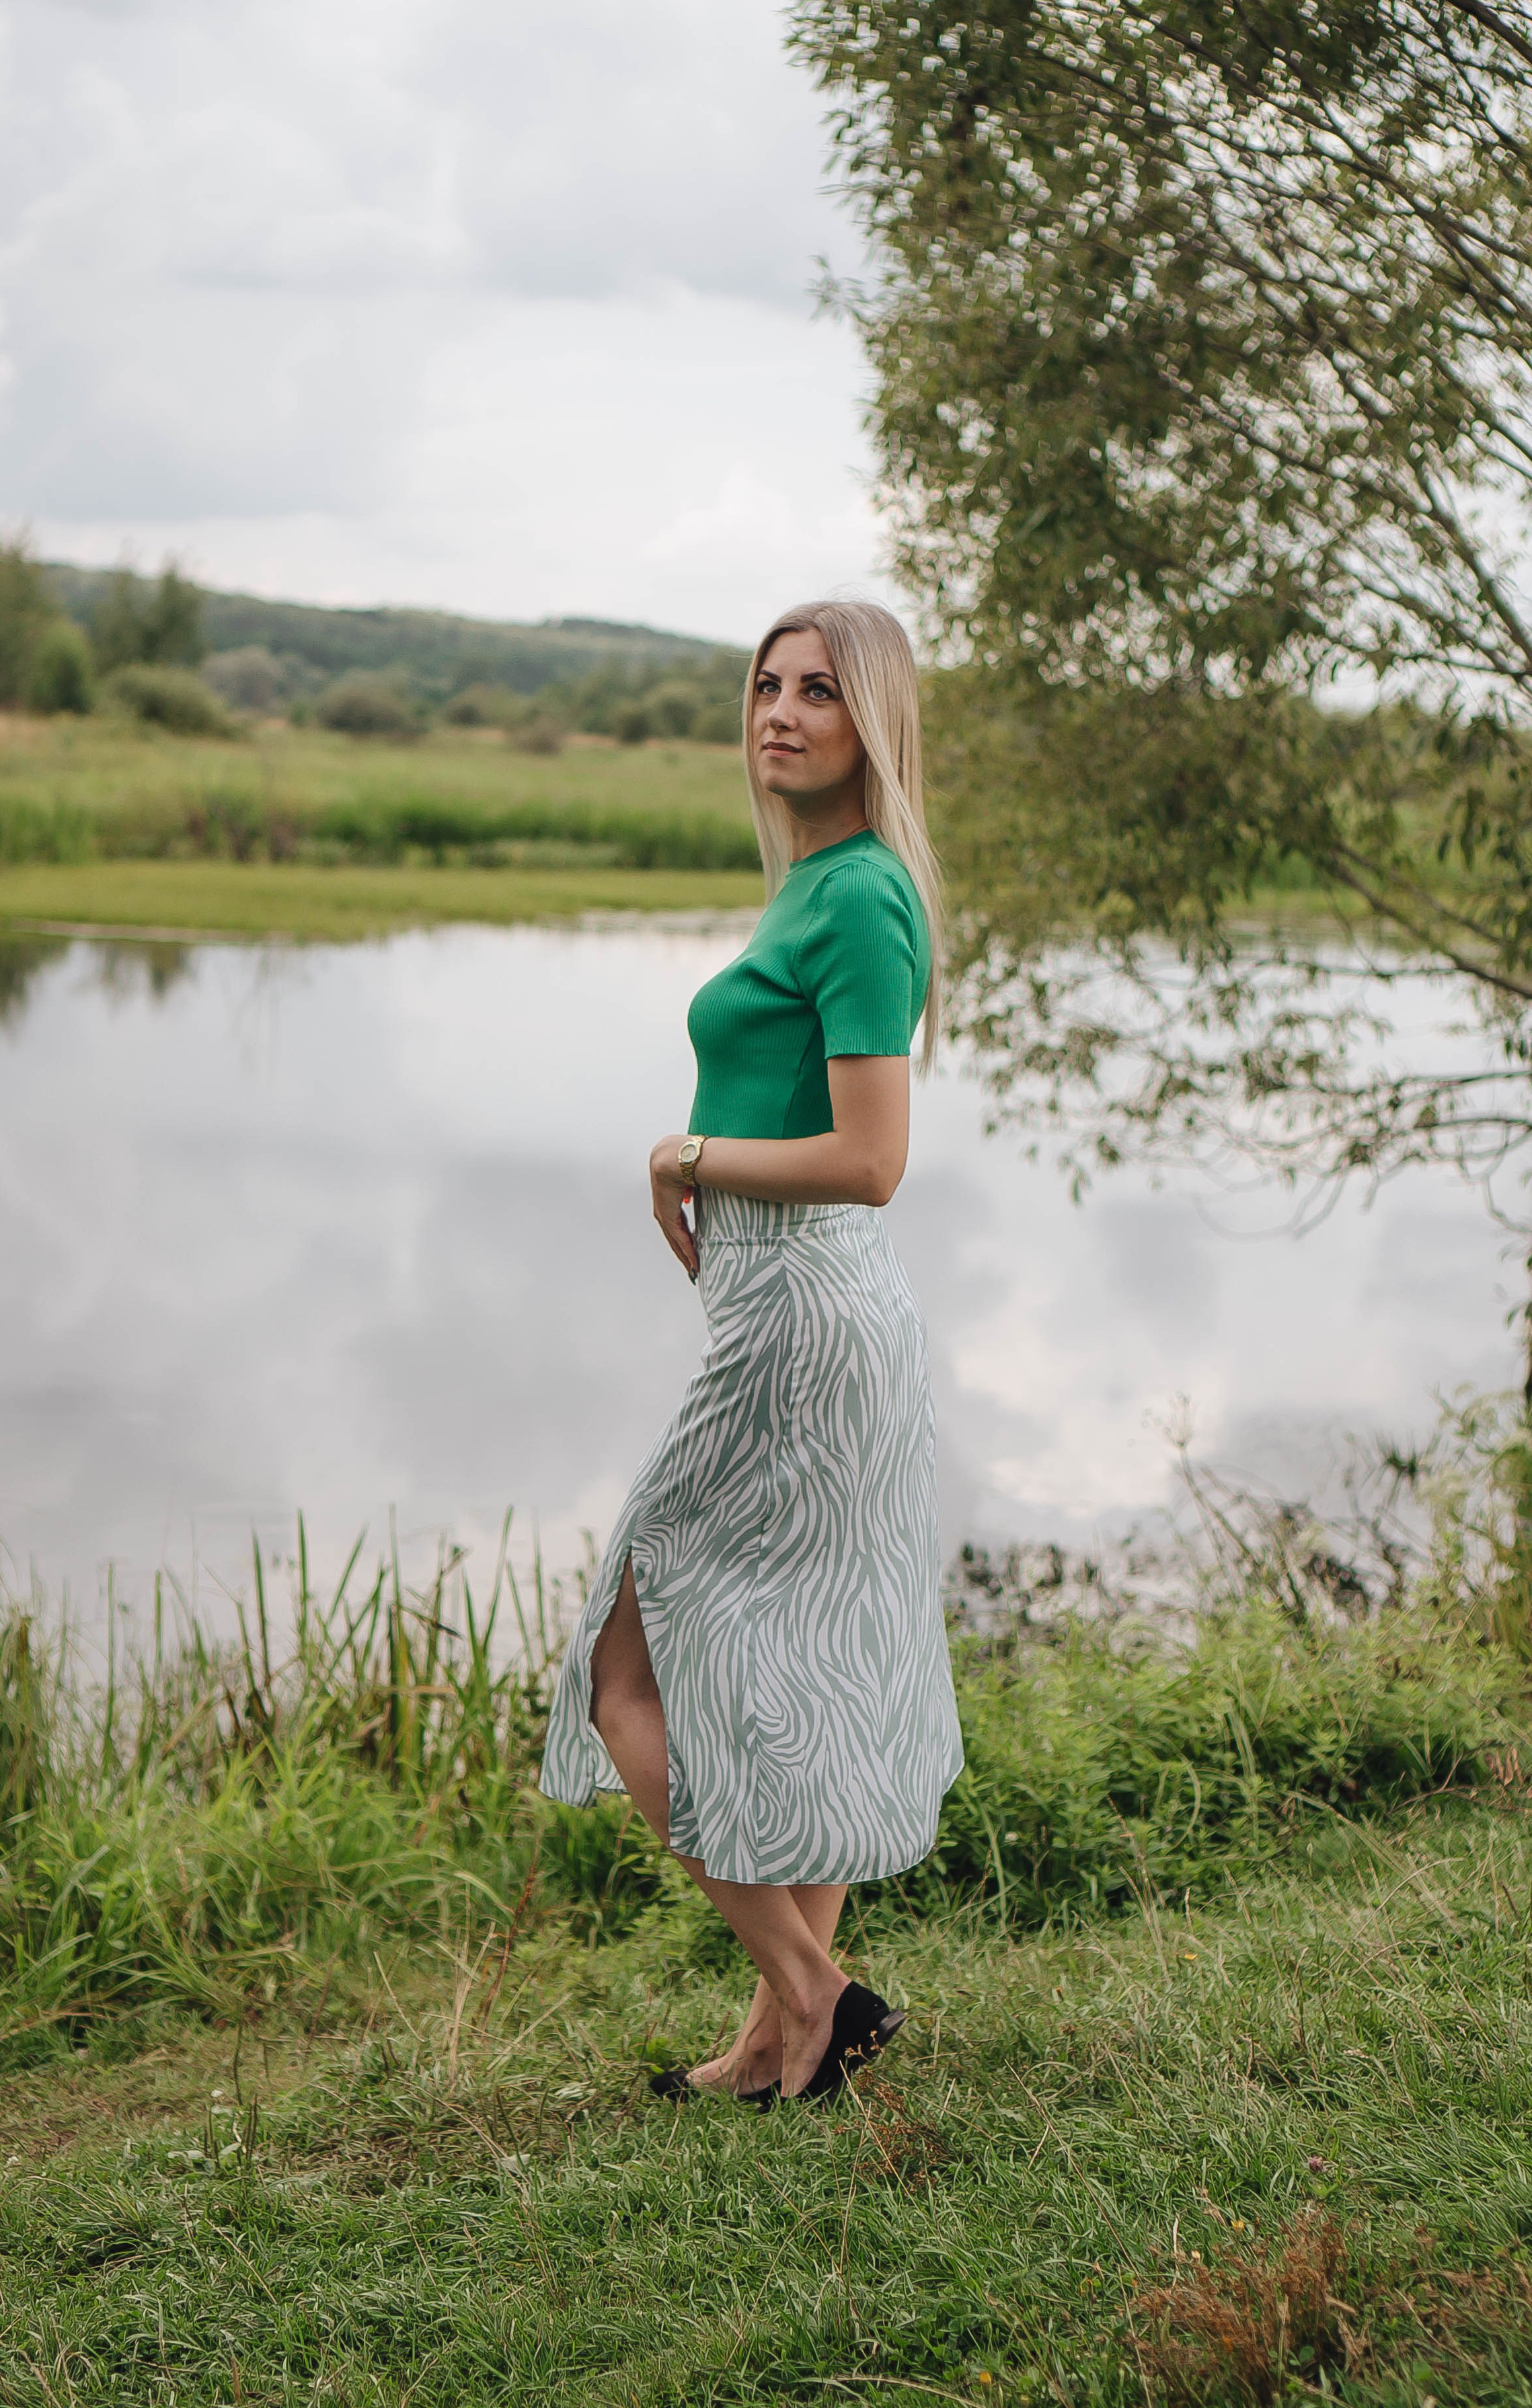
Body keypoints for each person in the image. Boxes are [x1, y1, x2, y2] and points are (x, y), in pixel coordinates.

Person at [539, 598, 964, 2105]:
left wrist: (688, 1154)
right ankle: (778, 2045)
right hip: (795, 1314)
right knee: (806, 1670)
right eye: (767, 685)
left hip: (803, 1322)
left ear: (873, 722)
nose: (780, 711)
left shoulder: (858, 901)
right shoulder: (819, 890)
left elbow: (870, 1158)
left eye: (819, 691)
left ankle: (821, 1994)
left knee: (623, 1666)